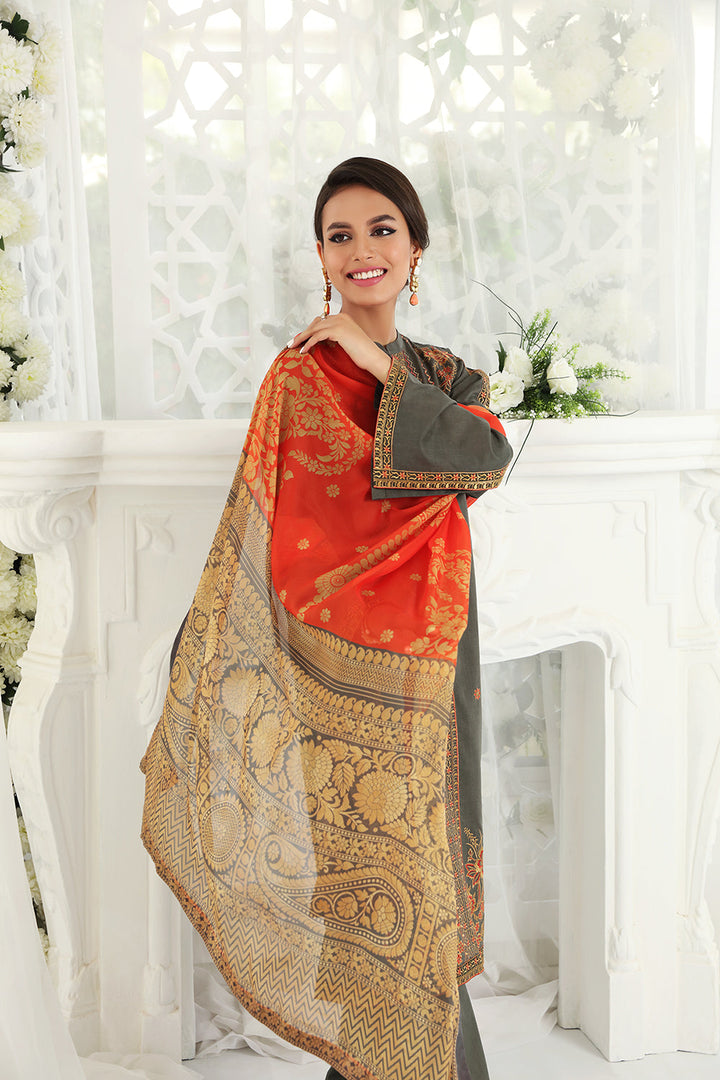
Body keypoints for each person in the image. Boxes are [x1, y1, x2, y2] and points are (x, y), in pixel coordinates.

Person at [141, 157, 512, 1080]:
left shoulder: (446, 372)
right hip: (332, 669)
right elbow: (277, 527)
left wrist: (373, 358)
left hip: (434, 657)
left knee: (427, 878)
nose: (361, 249)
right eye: (339, 235)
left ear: (416, 248)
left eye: (382, 229)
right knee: (362, 886)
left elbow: (483, 459)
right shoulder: (297, 376)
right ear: (320, 257)